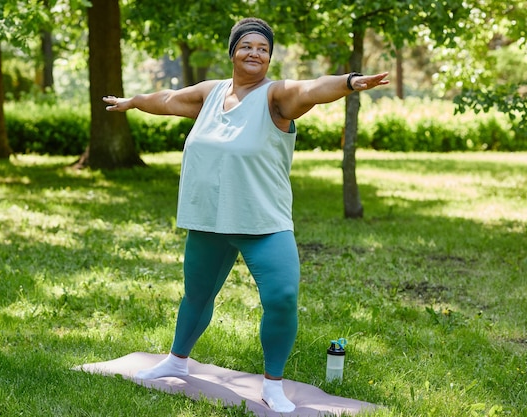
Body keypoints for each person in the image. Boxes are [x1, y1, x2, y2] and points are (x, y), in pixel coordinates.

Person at [103, 17, 389, 413]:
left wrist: (350, 82)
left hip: (263, 223)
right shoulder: (210, 93)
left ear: (270, 58)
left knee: (283, 298)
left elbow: (310, 88)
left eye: (263, 49)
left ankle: (273, 385)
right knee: (197, 297)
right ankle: (176, 360)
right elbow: (168, 100)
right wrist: (133, 101)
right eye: (247, 46)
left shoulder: (276, 97)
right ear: (233, 52)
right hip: (209, 221)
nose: (255, 53)